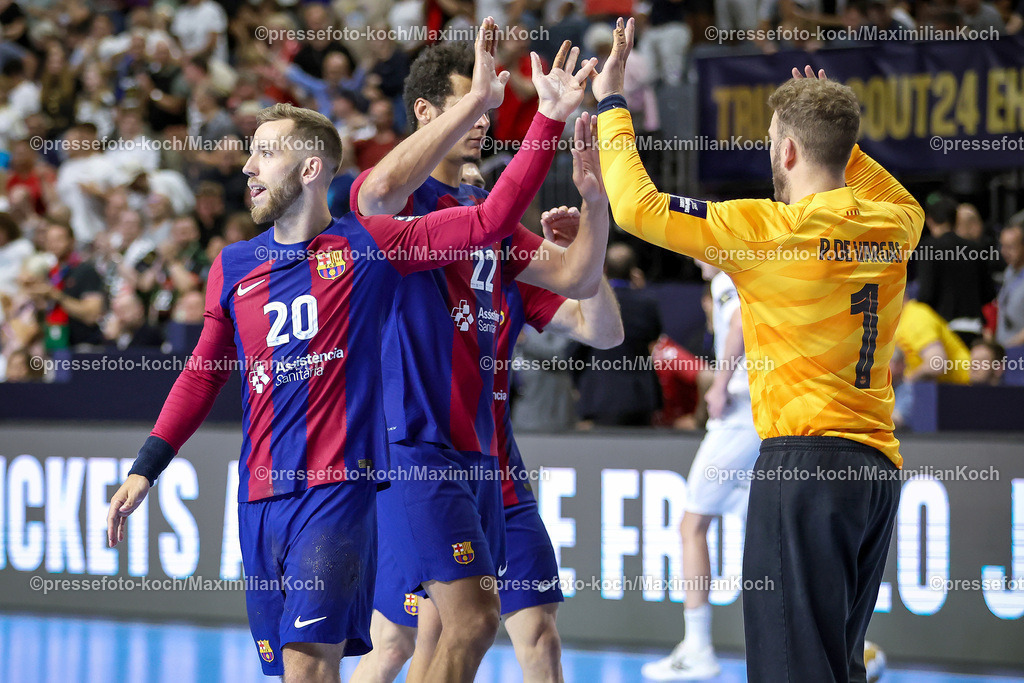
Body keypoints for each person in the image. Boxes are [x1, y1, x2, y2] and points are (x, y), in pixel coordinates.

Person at [104, 21, 574, 680]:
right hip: (259, 498)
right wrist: (146, 467)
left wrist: (545, 120)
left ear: (310, 167)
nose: (246, 167)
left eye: (263, 154)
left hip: (338, 496)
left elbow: (489, 222)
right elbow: (202, 374)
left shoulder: (368, 246)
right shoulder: (234, 265)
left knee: (318, 662)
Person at [593, 18, 924, 682]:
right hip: (874, 472)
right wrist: (830, 130)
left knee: (790, 668)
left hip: (802, 468)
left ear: (791, 153)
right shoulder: (896, 224)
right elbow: (877, 180)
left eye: (775, 143)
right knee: (836, 664)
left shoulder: (764, 230)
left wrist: (611, 104)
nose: (771, 154)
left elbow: (635, 206)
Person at [353, 36, 604, 683]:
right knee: (458, 623)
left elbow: (577, 277)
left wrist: (596, 202)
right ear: (425, 112)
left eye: (489, 103)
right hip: (416, 447)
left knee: (447, 630)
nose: (486, 116)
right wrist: (535, 117)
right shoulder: (389, 206)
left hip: (481, 453)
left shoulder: (475, 213)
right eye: (469, 100)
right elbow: (379, 186)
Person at [641, 261, 761, 681]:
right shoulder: (748, 272)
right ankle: (826, 641)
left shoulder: (732, 277)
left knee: (692, 525)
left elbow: (741, 326)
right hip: (759, 415)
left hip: (741, 415)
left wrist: (720, 384)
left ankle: (698, 649)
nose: (692, 258)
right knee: (762, 533)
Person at [575, 242, 663, 426]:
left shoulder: (590, 302)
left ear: (604, 268)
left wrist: (578, 384)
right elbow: (655, 336)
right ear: (633, 271)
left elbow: (575, 349)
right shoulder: (646, 303)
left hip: (601, 396)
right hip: (640, 397)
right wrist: (640, 292)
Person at [996, 221, 1024, 348]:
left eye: (1010, 247)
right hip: (1006, 352)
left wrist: (1007, 348)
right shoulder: (1009, 272)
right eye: (1002, 246)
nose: (1004, 252)